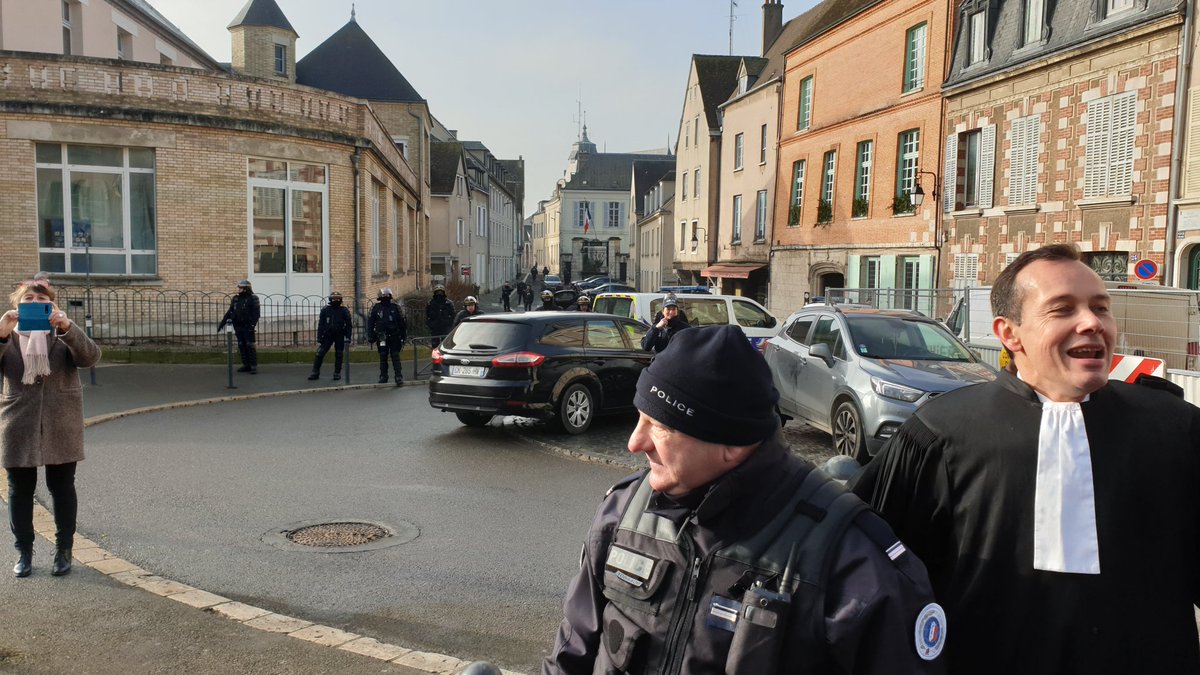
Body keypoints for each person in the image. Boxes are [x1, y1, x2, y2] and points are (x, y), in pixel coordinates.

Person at [850, 243, 1200, 675]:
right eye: (1063, 309)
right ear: (1009, 333)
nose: (1092, 322)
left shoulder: (1174, 426)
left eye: (1100, 308)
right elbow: (879, 575)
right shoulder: (940, 433)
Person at [544, 325, 946, 675]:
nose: (635, 442)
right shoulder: (623, 514)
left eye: (660, 426)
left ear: (731, 446)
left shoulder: (850, 563)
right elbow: (572, 656)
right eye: (638, 417)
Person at [1, 277, 101, 577]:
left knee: (62, 487)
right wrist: (1, 334)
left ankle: (63, 550)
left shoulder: (62, 333)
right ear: (17, 305)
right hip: (18, 421)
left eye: (41, 301)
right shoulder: (8, 335)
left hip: (61, 419)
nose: (34, 304)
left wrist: (68, 329)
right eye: (28, 300)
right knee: (19, 489)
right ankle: (24, 552)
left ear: (52, 305)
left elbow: (90, 357)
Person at [307, 291, 352, 381]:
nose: (336, 300)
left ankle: (337, 373)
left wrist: (348, 337)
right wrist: (319, 336)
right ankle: (315, 372)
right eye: (334, 299)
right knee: (320, 353)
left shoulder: (344, 310)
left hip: (339, 334)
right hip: (328, 335)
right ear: (330, 299)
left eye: (337, 299)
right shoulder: (326, 310)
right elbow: (321, 324)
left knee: (339, 354)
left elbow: (348, 325)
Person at [366, 288, 406, 385]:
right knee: (383, 356)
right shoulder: (375, 308)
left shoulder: (395, 307)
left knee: (395, 355)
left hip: (394, 336)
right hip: (381, 336)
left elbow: (402, 323)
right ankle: (383, 376)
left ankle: (398, 376)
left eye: (387, 296)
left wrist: (403, 336)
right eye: (383, 297)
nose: (385, 298)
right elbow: (370, 322)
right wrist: (370, 335)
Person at [218, 280, 260, 374]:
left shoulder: (253, 298)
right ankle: (246, 365)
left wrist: (252, 325)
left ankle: (253, 366)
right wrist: (222, 323)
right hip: (238, 326)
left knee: (250, 345)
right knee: (241, 345)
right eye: (239, 287)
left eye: (241, 288)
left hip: (248, 326)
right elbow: (230, 312)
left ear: (246, 289)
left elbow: (256, 314)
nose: (239, 289)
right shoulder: (236, 299)